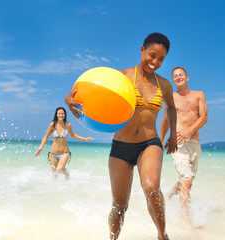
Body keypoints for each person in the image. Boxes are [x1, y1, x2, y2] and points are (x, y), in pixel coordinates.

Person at [65, 33, 177, 240]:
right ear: (142, 50)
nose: (155, 62)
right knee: (119, 206)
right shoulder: (121, 77)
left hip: (150, 144)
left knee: (152, 188)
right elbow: (86, 91)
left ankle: (162, 236)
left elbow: (171, 108)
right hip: (121, 147)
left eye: (161, 59)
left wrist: (171, 135)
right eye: (152, 55)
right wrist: (69, 99)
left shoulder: (164, 84)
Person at [160, 67, 208, 226]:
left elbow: (204, 118)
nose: (178, 77)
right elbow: (166, 120)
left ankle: (167, 196)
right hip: (178, 143)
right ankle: (188, 220)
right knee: (187, 180)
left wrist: (190, 130)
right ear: (173, 81)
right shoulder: (171, 97)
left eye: (181, 75)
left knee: (187, 181)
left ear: (187, 77)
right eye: (175, 76)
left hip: (194, 144)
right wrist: (160, 140)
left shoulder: (199, 95)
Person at [35, 107, 94, 179]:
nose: (61, 115)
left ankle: (67, 175)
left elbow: (72, 135)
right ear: (56, 115)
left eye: (62, 113)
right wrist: (40, 148)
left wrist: (84, 139)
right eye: (59, 114)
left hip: (64, 153)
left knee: (59, 169)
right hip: (53, 153)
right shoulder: (52, 125)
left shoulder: (68, 125)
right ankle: (57, 188)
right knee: (54, 174)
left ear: (65, 115)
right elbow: (46, 137)